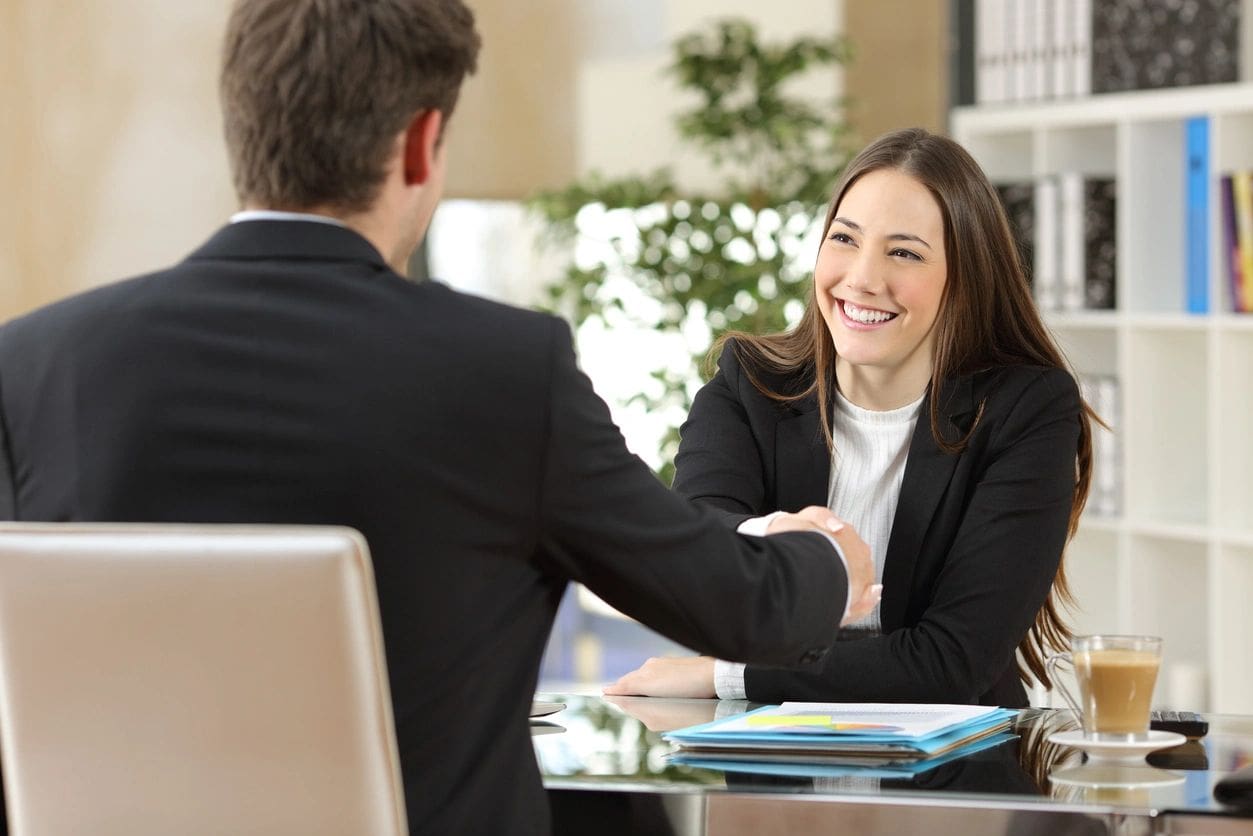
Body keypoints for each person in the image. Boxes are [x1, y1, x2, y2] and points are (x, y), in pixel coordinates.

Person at [0, 1, 880, 834]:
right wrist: (827, 559)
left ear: (241, 127)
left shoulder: (36, 364)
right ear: (422, 143)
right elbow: (729, 602)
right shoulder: (502, 372)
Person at [606, 127, 1096, 709]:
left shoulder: (1026, 408)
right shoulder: (751, 382)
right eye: (844, 239)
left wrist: (725, 676)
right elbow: (695, 552)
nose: (862, 278)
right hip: (774, 767)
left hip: (957, 777)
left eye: (905, 252)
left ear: (964, 279)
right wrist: (764, 537)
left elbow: (952, 662)